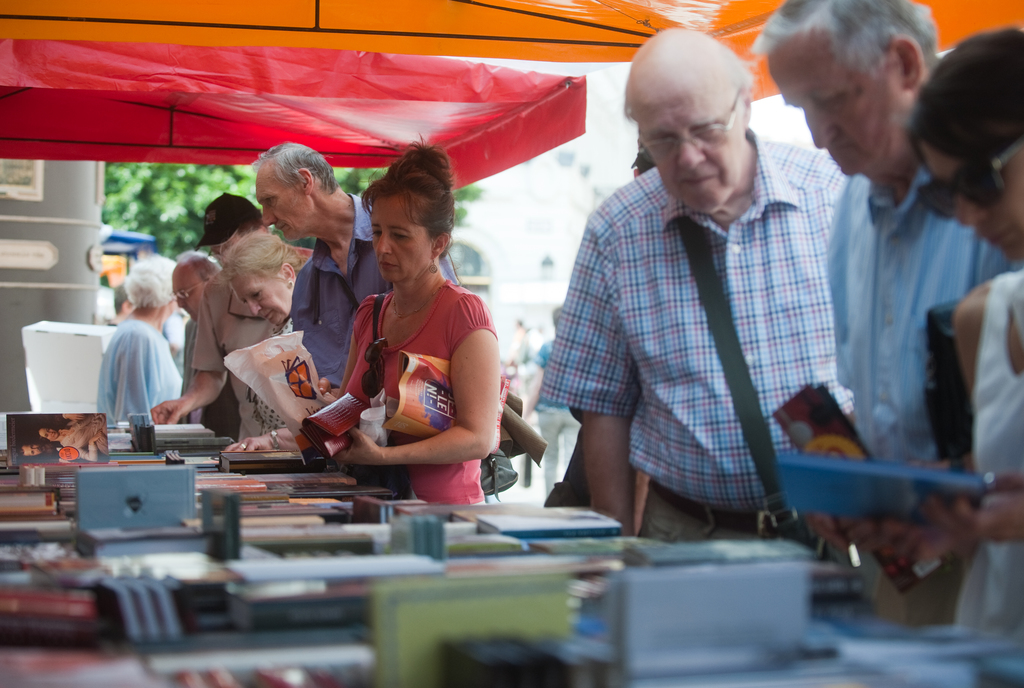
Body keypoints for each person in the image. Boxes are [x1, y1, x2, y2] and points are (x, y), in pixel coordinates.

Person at [756, 0, 1014, 626]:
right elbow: (873, 394)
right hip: (909, 565)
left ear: (903, 64)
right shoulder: (850, 211)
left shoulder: (999, 190)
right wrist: (850, 484)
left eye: (832, 100)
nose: (819, 135)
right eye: (800, 111)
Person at [541, 29, 848, 540]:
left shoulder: (830, 194)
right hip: (683, 529)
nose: (686, 158)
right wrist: (617, 544)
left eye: (705, 131)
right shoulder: (616, 230)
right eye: (661, 139)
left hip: (829, 529)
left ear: (745, 106)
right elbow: (602, 408)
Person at [854, 29, 1024, 642]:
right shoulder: (988, 316)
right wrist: (948, 511)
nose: (972, 218)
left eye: (981, 181)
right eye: (951, 195)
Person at [331, 143, 500, 504]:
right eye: (377, 232)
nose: (383, 247)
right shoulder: (369, 312)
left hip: (444, 517)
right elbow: (347, 405)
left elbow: (479, 437)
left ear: (438, 243)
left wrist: (384, 457)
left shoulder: (464, 313)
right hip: (371, 507)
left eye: (400, 235)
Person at [253, 143, 456, 390]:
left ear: (306, 181)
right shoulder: (307, 281)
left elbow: (446, 338)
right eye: (377, 232)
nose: (266, 218)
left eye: (270, 201)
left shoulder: (408, 238)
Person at [151, 194, 275, 440]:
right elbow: (211, 372)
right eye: (217, 255)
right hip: (252, 442)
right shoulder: (215, 292)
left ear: (262, 231)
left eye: (228, 249)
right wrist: (186, 402)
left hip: (308, 441)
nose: (225, 263)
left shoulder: (309, 272)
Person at [217, 232, 308, 450]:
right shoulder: (287, 329)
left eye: (256, 294)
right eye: (245, 300)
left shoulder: (313, 331)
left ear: (287, 273)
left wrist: (271, 440)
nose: (253, 309)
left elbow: (325, 422)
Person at [98, 255, 182, 423]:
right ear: (170, 295)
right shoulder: (138, 336)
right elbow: (132, 417)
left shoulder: (142, 334)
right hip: (139, 447)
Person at [172, 251, 239, 438]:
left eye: (184, 293)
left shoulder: (235, 321)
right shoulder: (191, 326)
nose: (179, 302)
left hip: (231, 437)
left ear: (212, 283)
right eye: (176, 294)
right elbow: (195, 380)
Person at [523, 306, 581, 495]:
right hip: (573, 412)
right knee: (571, 458)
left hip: (548, 411)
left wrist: (527, 413)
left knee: (550, 460)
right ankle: (569, 500)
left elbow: (537, 385)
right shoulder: (578, 349)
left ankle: (550, 503)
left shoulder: (547, 348)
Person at [39, 413, 108, 461]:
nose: (50, 433)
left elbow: (90, 417)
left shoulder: (68, 425)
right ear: (49, 440)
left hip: (100, 419)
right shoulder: (68, 447)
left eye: (48, 430)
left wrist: (73, 428)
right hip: (100, 435)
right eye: (46, 435)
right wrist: (91, 442)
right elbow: (92, 458)